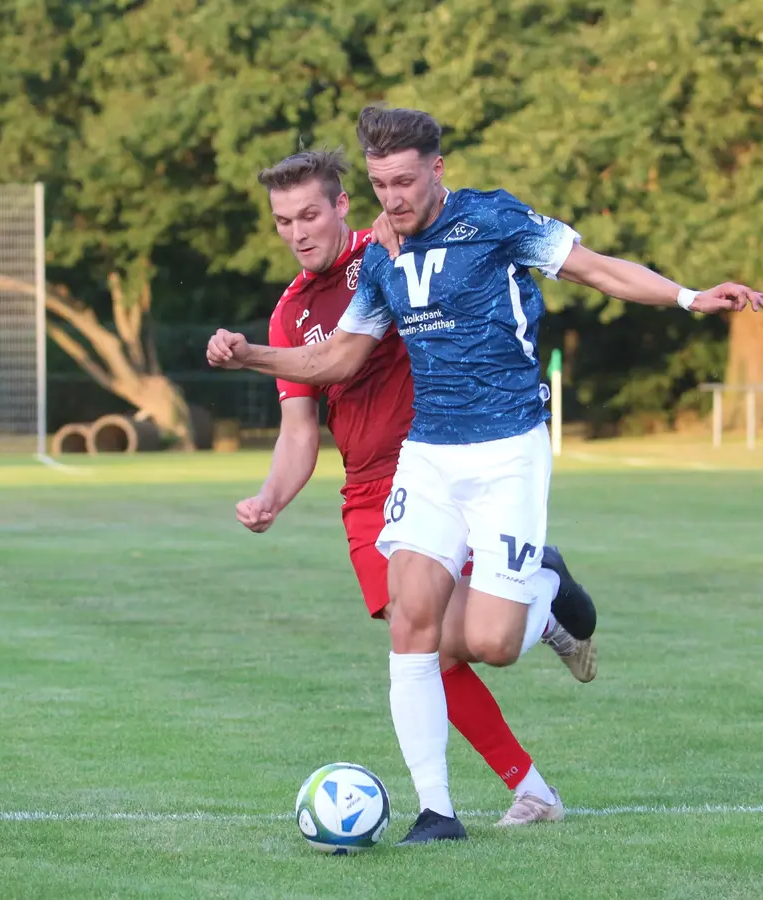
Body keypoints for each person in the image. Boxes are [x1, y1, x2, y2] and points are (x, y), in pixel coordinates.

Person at [207, 105, 763, 844]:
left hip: (504, 449)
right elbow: (330, 368)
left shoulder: (490, 221)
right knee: (414, 629)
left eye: (403, 182)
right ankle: (438, 810)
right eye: (383, 185)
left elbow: (596, 269)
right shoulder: (372, 264)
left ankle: (544, 587)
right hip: (422, 461)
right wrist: (250, 361)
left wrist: (690, 297)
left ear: (436, 170)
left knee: (492, 643)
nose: (394, 200)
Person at [237, 147, 586, 828]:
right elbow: (300, 430)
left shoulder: (395, 248)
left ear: (342, 205)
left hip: (441, 465)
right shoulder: (290, 315)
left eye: (310, 213)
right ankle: (530, 789)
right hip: (366, 496)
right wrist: (271, 497)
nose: (298, 232)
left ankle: (535, 603)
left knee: (456, 640)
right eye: (283, 221)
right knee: (424, 645)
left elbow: (422, 201)